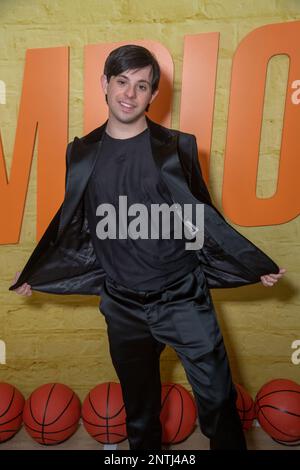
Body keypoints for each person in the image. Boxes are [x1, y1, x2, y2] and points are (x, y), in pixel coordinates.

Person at [10, 45, 286, 450]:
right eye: (122, 82)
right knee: (139, 414)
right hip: (122, 305)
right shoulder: (80, 153)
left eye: (141, 86)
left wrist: (246, 262)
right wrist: (39, 270)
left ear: (153, 95)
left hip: (183, 297)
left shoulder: (178, 147)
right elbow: (74, 224)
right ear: (105, 83)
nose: (129, 94)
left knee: (219, 405)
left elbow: (204, 218)